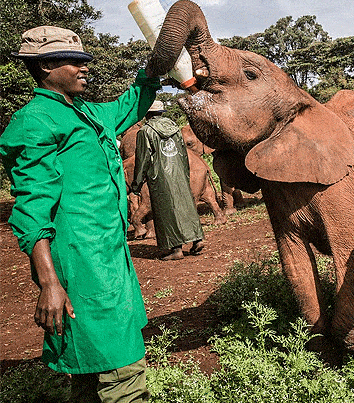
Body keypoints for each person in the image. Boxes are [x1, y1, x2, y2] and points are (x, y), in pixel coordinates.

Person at [0, 26, 161, 402]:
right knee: (124, 369)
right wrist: (49, 283)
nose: (84, 67)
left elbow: (129, 104)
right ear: (43, 68)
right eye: (73, 62)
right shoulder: (36, 121)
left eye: (84, 60)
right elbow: (32, 209)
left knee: (89, 370)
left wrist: (153, 71)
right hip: (82, 262)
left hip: (108, 253)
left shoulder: (85, 112)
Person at [131, 102, 205, 261]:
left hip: (160, 177)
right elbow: (184, 154)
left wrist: (136, 184)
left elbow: (143, 159)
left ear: (147, 114)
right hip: (179, 173)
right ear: (161, 112)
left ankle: (176, 249)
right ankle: (197, 239)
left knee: (166, 212)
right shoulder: (174, 127)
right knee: (185, 206)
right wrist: (184, 174)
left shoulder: (145, 131)